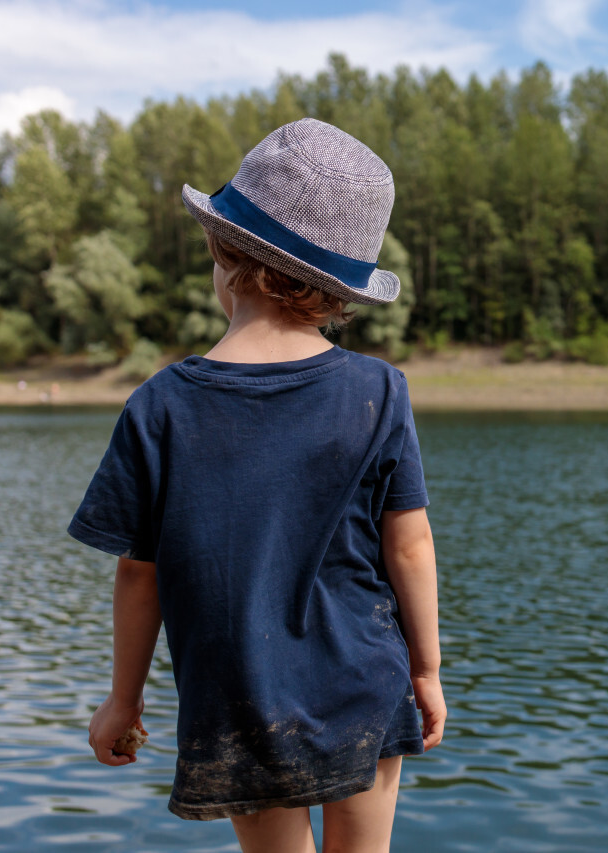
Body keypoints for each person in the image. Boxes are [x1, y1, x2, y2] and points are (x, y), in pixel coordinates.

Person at [67, 118, 446, 853]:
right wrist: (427, 670)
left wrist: (123, 699)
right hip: (366, 681)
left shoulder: (160, 406)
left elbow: (137, 576)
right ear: (340, 291)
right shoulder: (379, 390)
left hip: (241, 697)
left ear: (222, 253)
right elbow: (411, 546)